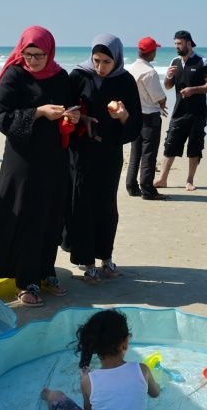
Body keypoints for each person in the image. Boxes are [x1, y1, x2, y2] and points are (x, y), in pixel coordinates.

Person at [0, 25, 78, 307]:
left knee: (51, 215)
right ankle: (26, 281)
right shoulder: (14, 75)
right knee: (23, 216)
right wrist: (38, 112)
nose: (32, 60)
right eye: (28, 54)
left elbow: (71, 105)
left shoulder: (60, 77)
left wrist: (73, 116)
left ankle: (46, 271)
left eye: (39, 55)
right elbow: (0, 117)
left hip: (55, 159)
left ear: (50, 52)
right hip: (22, 160)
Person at [64, 33, 142, 285]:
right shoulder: (79, 76)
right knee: (83, 204)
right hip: (81, 152)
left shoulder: (125, 80)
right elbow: (66, 108)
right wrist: (79, 118)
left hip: (109, 153)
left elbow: (135, 125)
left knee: (107, 205)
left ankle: (106, 258)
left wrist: (122, 115)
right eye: (96, 60)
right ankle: (87, 263)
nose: (100, 67)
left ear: (117, 59)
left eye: (106, 61)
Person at [40, 309, 160, 410]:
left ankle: (50, 395)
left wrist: (84, 379)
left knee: (62, 402)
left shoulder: (89, 381)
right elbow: (155, 393)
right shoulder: (142, 370)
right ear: (126, 342)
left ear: (94, 347)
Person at [154, 30, 207, 192]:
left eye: (179, 43)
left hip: (198, 113)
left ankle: (189, 180)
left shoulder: (203, 61)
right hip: (179, 112)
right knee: (170, 144)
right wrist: (168, 76)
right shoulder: (174, 61)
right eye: (175, 44)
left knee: (195, 147)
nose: (177, 46)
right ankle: (162, 178)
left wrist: (193, 90)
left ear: (189, 43)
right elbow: (168, 86)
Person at [125, 36, 168, 200]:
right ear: (151, 52)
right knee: (149, 154)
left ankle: (131, 185)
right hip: (150, 116)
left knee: (135, 151)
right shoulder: (149, 72)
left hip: (135, 114)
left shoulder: (131, 68)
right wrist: (162, 104)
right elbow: (159, 97)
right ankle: (147, 189)